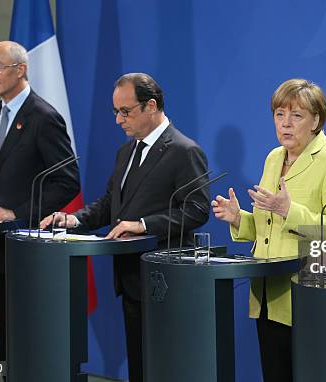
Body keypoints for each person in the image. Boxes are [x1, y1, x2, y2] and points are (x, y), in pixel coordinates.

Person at [40, 72, 210, 382]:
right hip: (131, 276)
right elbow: (110, 204)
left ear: (151, 106)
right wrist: (73, 219)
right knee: (139, 366)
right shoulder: (126, 151)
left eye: (125, 111)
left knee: (167, 367)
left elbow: (197, 209)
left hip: (166, 277)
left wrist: (144, 225)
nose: (119, 120)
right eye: (115, 112)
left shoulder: (184, 151)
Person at [212, 79, 326, 381]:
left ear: (316, 120)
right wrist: (240, 219)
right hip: (267, 292)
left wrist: (288, 210)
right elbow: (270, 227)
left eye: (297, 116)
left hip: (307, 294)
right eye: (280, 115)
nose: (286, 124)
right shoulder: (274, 157)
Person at [0, 41, 80, 363]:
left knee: (28, 346)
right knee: (6, 346)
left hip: (26, 249)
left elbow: (68, 181)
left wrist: (18, 213)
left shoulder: (44, 117)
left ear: (20, 70)